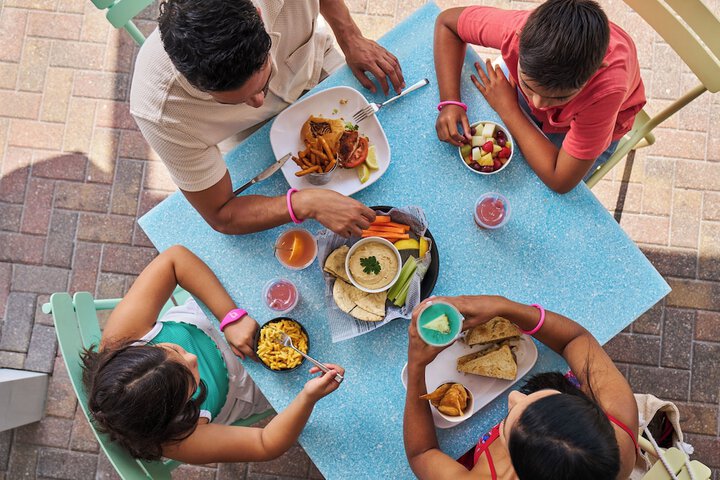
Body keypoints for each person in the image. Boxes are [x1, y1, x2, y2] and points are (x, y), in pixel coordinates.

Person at [130, 0, 406, 237]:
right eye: (238, 100)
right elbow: (222, 214)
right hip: (247, 133)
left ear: (260, 16)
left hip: (316, 62)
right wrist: (303, 204)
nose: (258, 102)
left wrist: (350, 37)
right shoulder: (160, 113)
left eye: (262, 83)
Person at [81, 245, 344, 463]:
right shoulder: (179, 440)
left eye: (173, 349)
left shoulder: (121, 339)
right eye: (190, 377)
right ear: (178, 410)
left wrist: (230, 317)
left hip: (212, 316)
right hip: (244, 386)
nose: (192, 358)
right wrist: (308, 397)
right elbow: (266, 443)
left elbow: (174, 260)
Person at [404, 295, 639, 480]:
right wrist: (504, 307)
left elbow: (422, 454)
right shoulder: (620, 423)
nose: (515, 395)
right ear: (587, 408)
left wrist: (416, 366)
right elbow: (575, 340)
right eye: (549, 399)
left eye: (506, 427)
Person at [433, 0, 646, 193]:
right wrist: (450, 101)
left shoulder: (605, 90)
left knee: (533, 192)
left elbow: (560, 180)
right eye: (528, 85)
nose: (538, 104)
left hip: (590, 122)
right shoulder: (514, 29)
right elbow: (447, 23)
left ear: (597, 70)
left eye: (559, 98)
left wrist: (508, 108)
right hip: (512, 100)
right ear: (520, 38)